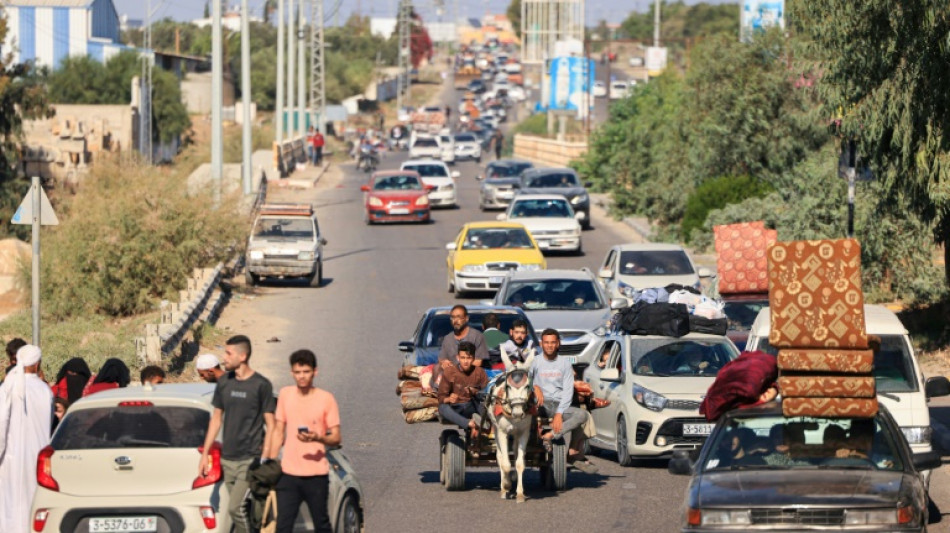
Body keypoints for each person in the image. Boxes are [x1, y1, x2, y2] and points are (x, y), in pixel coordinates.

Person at [199, 335, 276, 533]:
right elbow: (216, 419)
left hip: (250, 459)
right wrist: (206, 453)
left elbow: (271, 423)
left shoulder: (261, 385)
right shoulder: (224, 383)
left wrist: (266, 457)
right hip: (228, 459)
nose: (224, 358)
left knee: (235, 508)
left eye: (228, 353)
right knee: (244, 510)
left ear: (242, 356)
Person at [266, 349, 339, 533]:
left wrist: (318, 437)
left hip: (316, 475)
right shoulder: (285, 394)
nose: (302, 377)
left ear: (315, 371)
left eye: (306, 372)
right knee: (283, 526)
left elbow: (336, 437)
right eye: (297, 372)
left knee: (321, 524)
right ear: (292, 373)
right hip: (288, 474)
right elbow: (277, 431)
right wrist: (270, 462)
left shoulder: (326, 399)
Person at [0, 344, 52, 532]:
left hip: (11, 455)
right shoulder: (44, 390)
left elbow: (1, 423)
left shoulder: (9, 386)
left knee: (11, 504)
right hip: (37, 454)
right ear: (37, 364)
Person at [530, 329, 598, 474]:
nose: (549, 346)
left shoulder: (565, 364)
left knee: (582, 415)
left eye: (553, 342)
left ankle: (553, 438)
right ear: (541, 344)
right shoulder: (535, 362)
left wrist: (559, 414)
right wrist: (534, 387)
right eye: (546, 342)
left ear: (558, 344)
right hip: (540, 405)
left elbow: (568, 391)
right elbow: (523, 382)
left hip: (560, 404)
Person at [438, 342, 488, 437]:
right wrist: (449, 399)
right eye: (463, 358)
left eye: (468, 358)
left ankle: (483, 423)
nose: (465, 361)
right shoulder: (449, 372)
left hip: (472, 405)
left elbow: (487, 392)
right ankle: (469, 423)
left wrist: (475, 392)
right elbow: (441, 397)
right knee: (442, 408)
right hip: (456, 407)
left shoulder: (480, 372)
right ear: (458, 357)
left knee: (486, 406)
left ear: (473, 358)